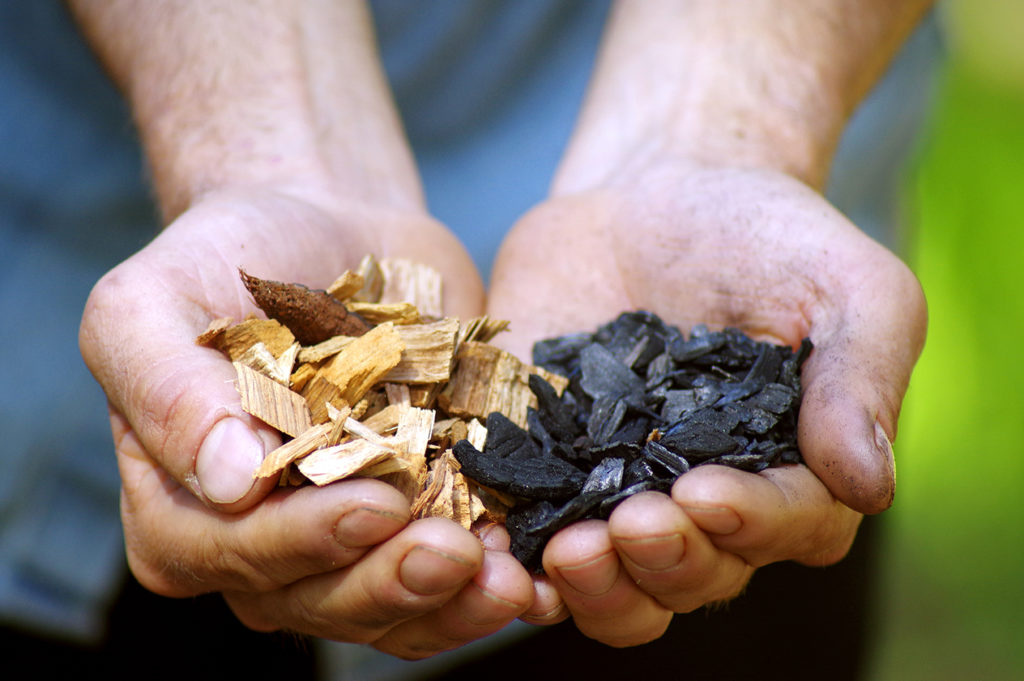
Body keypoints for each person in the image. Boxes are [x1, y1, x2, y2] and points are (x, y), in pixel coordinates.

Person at [2, 1, 937, 678]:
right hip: (41, 310)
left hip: (693, 505)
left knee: (690, 565)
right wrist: (265, 149)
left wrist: (725, 130)